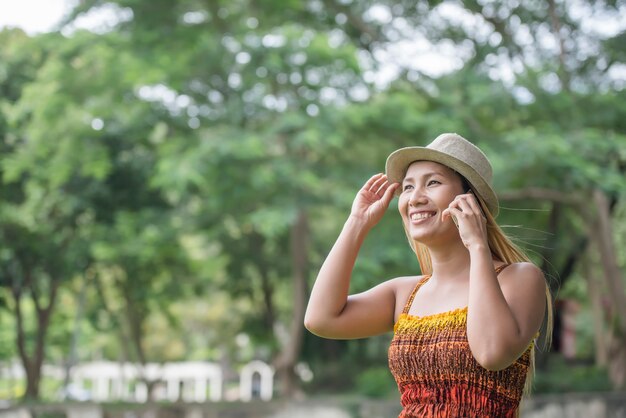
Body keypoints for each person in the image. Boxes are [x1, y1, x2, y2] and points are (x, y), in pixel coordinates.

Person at [304, 133, 552, 418]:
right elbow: (320, 319)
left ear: (469, 200)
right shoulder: (404, 294)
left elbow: (492, 353)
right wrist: (357, 223)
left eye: (432, 183)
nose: (415, 198)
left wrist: (477, 245)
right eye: (407, 187)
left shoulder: (519, 278)